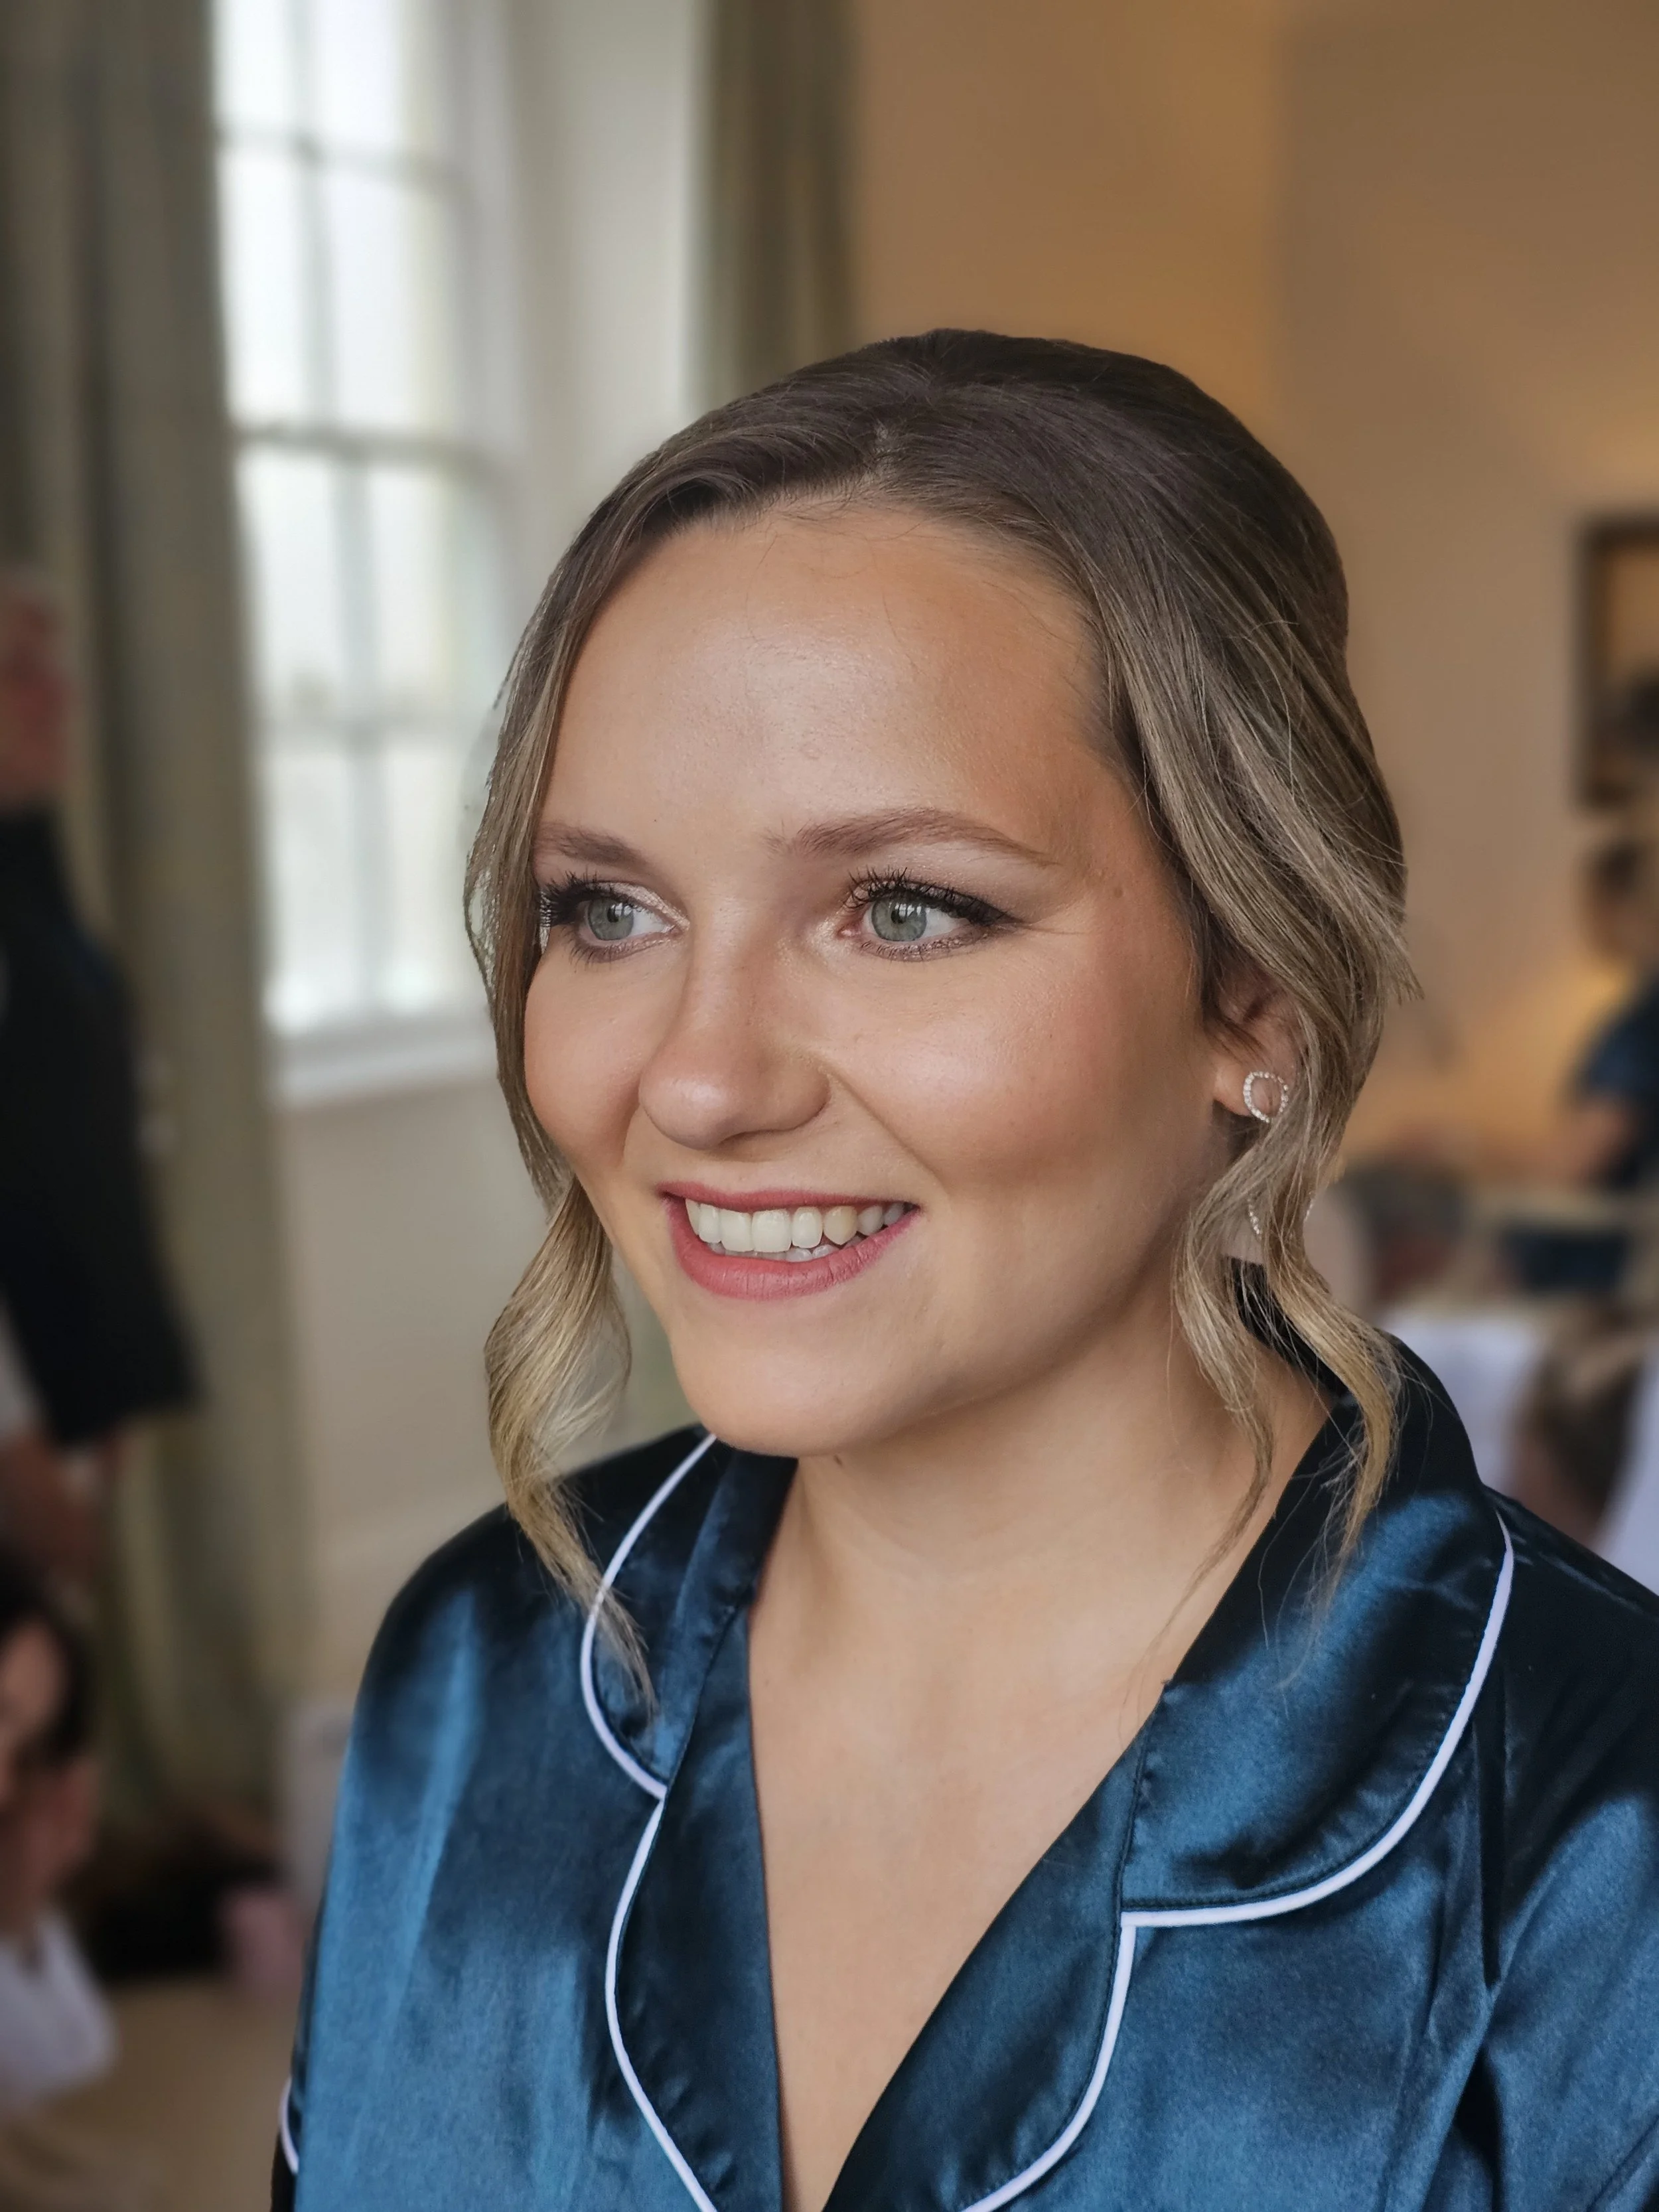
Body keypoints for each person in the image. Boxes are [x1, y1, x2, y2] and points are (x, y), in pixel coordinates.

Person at [277, 336, 1659, 2211]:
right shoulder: (480, 1673)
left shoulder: (1596, 1837)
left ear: (1251, 987)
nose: (693, 1076)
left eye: (903, 909)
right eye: (606, 908)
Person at [0, 573, 194, 1582]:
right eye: (19, 674)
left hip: (68, 1393)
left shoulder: (38, 884)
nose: (57, 697)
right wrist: (15, 1441)